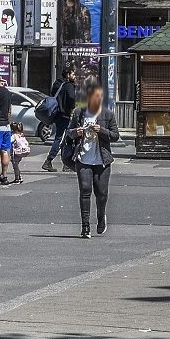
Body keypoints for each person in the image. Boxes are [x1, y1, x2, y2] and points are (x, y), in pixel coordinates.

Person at [64, 82, 118, 238]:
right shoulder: (78, 113)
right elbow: (68, 133)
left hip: (102, 160)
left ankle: (101, 217)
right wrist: (76, 132)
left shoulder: (107, 114)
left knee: (101, 193)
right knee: (85, 191)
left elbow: (115, 136)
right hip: (83, 159)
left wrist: (101, 130)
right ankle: (85, 226)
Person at [39, 66, 80, 172]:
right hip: (65, 115)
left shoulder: (57, 84)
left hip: (57, 115)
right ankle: (48, 161)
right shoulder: (69, 86)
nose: (74, 76)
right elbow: (71, 98)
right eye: (73, 74)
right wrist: (72, 108)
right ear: (68, 75)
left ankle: (66, 164)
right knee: (61, 138)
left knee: (64, 139)